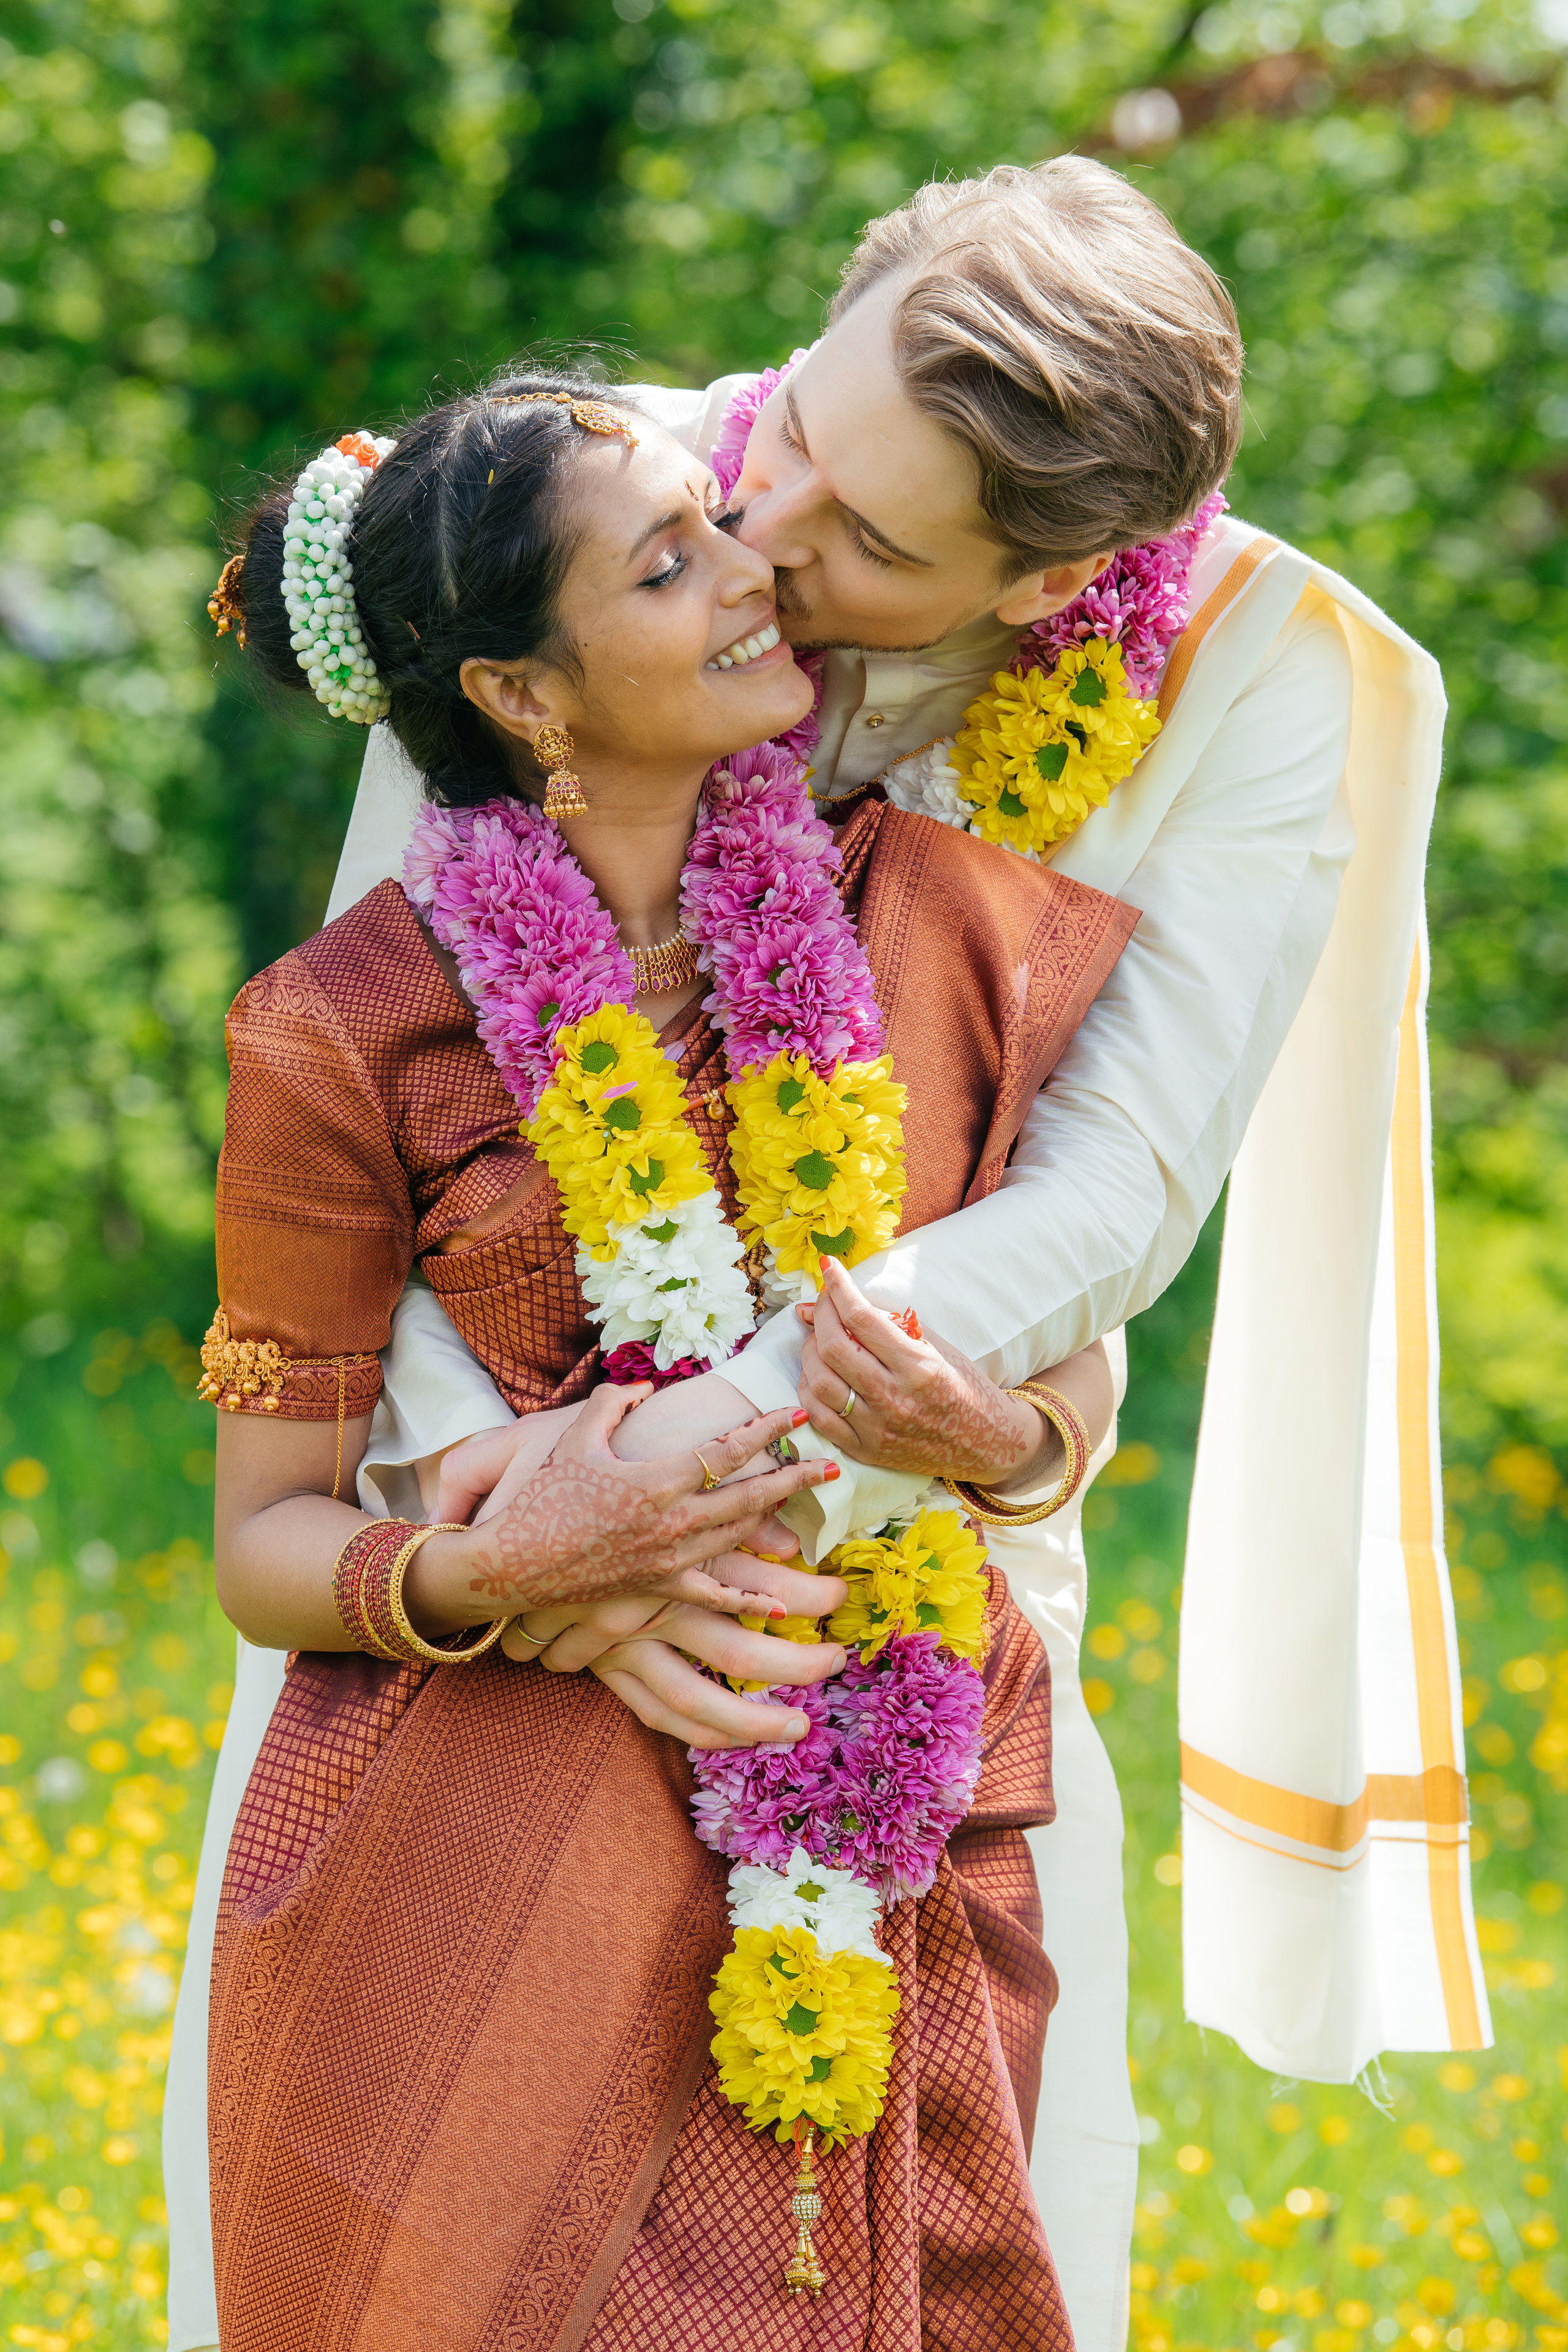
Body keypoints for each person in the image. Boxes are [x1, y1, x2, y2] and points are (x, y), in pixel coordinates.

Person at [168, 156, 1488, 2352]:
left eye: (873, 544)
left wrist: (717, 1467)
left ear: (1062, 574)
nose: (770, 541)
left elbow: (1113, 1196)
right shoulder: (588, 508)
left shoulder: (1256, 685)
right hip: (455, 1544)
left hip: (892, 1590)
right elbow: (390, 1106)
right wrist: (534, 1559)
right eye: (786, 444)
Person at [190, 372, 1138, 2349]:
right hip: (482, 1866)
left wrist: (1001, 1437)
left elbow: (1073, 1363)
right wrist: (510, 1569)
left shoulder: (938, 921)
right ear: (525, 697)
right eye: (669, 559)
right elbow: (264, 1541)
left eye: (720, 521)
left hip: (880, 1789)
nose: (754, 573)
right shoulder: (344, 1028)